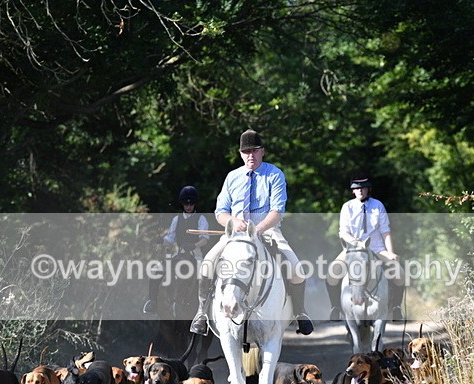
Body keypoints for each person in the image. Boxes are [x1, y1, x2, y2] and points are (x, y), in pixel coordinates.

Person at [189, 129, 313, 336]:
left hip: (268, 231)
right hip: (235, 236)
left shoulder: (274, 174)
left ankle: (300, 313)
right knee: (207, 264)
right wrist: (233, 221)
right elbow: (220, 212)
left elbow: (277, 211)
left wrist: (258, 228)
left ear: (262, 151)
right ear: (240, 153)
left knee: (297, 269)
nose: (250, 156)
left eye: (254, 151)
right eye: (246, 152)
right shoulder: (232, 177)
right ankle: (201, 313)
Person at [326, 178, 405, 321]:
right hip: (354, 248)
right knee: (333, 272)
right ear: (353, 191)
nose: (360, 190)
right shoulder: (347, 207)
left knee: (399, 273)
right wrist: (356, 244)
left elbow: (385, 231)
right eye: (357, 188)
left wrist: (391, 252)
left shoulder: (378, 205)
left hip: (376, 248)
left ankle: (396, 308)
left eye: (363, 188)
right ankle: (335, 307)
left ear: (368, 189)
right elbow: (344, 232)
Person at [143, 185, 210, 315]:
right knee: (156, 270)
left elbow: (205, 239)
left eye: (191, 204)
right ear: (182, 204)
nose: (188, 206)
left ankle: (205, 308)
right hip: (179, 254)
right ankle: (153, 302)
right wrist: (161, 241)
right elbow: (170, 239)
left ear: (194, 204)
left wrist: (194, 245)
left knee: (205, 276)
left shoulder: (201, 219)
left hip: (195, 255)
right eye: (186, 203)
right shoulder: (176, 219)